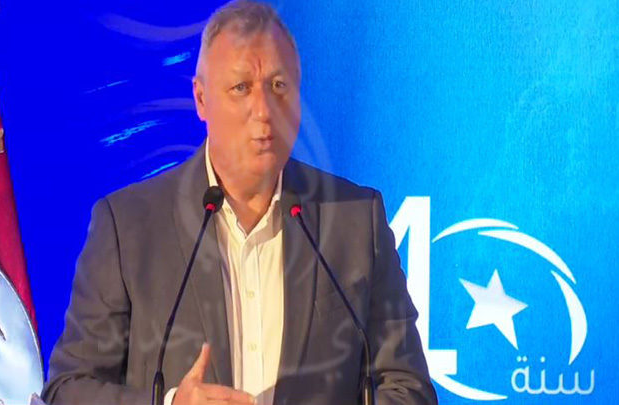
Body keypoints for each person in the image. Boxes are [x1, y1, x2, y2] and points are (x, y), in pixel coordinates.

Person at [42, 1, 437, 404]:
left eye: (279, 86)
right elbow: (67, 389)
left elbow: (408, 387)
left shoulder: (354, 220)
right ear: (201, 99)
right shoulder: (128, 226)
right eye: (241, 88)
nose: (264, 111)